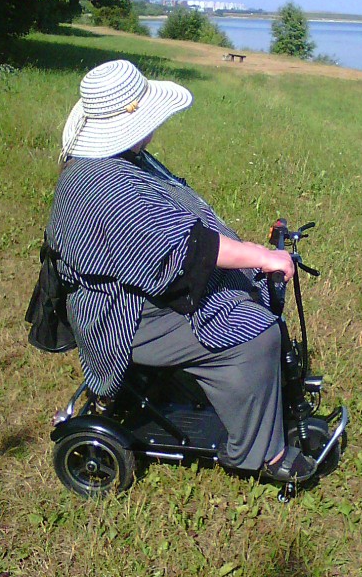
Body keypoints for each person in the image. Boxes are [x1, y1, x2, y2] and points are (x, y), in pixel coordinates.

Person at [45, 59, 316, 482]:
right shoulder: (105, 186)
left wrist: (250, 259)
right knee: (256, 336)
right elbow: (185, 250)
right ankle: (261, 453)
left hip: (133, 293)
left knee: (241, 284)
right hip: (124, 317)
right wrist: (262, 257)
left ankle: (246, 401)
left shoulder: (117, 160)